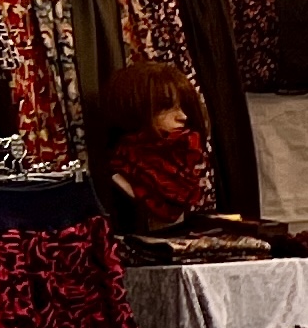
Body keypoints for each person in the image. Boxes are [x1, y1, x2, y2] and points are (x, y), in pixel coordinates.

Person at [86, 63, 216, 236]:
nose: (183, 116)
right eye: (166, 107)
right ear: (135, 109)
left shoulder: (187, 170)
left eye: (182, 106)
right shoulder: (115, 175)